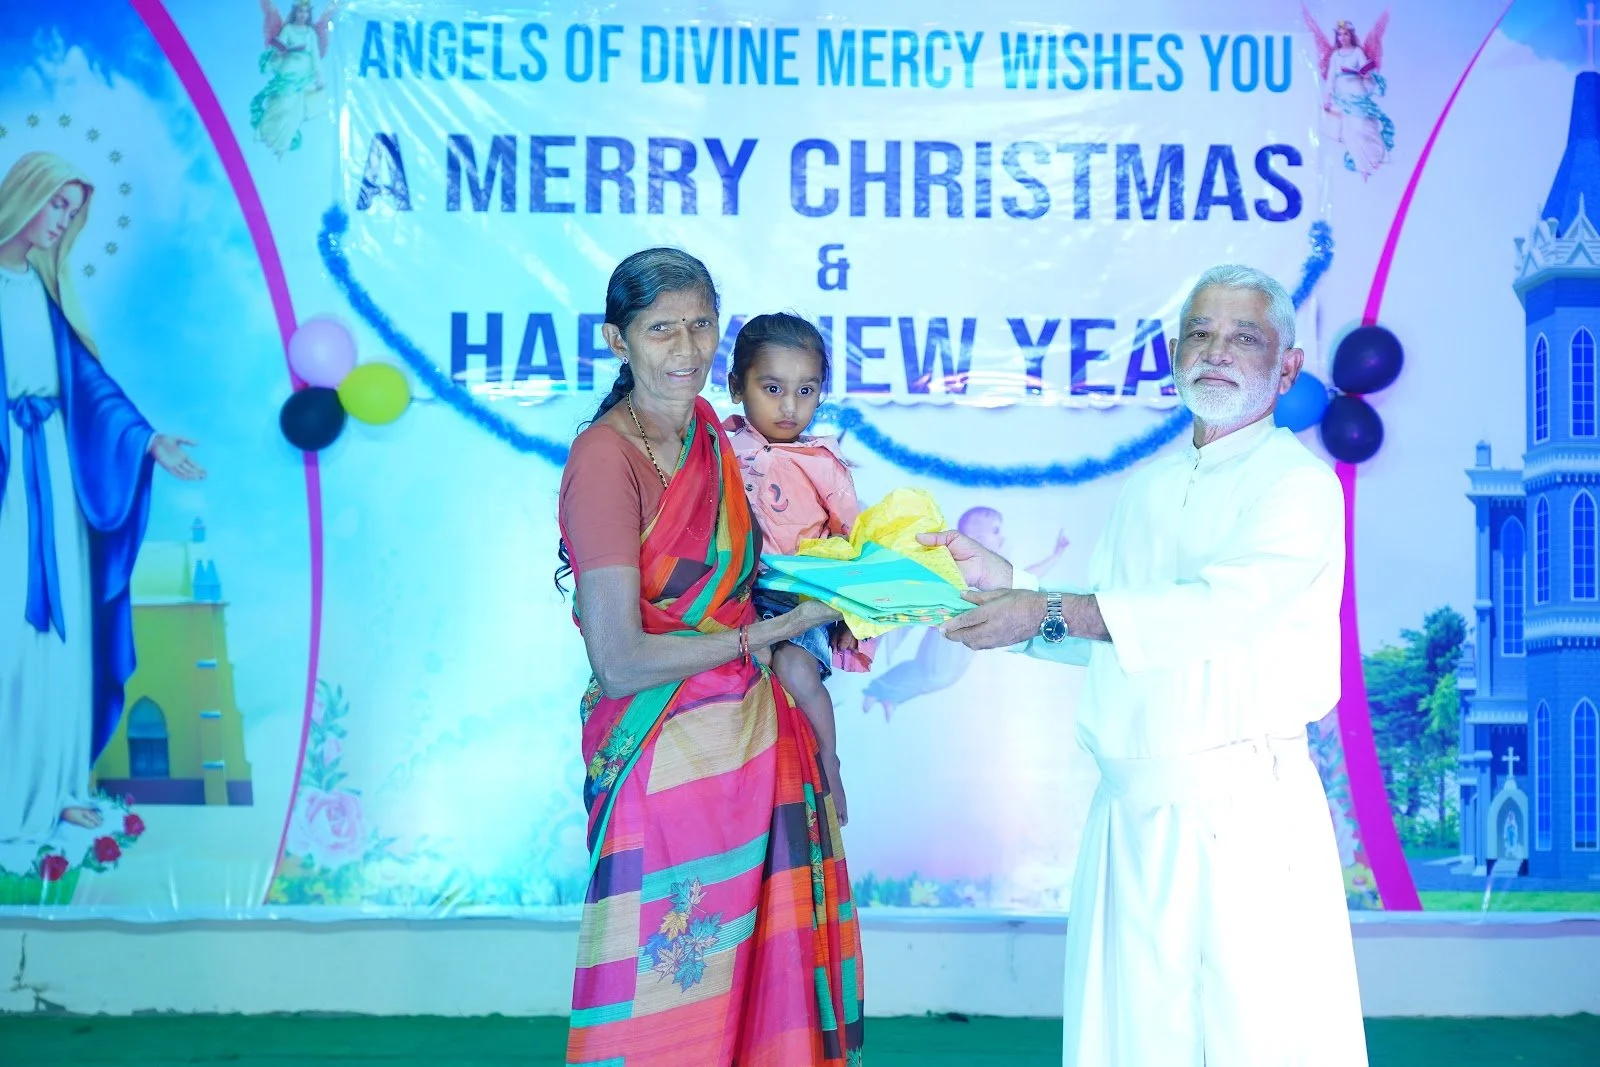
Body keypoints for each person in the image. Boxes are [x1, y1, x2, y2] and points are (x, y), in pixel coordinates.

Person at [927, 264, 1367, 1065]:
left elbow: (1212, 612)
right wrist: (1007, 588)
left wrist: (1046, 607)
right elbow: (1122, 632)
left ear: (1290, 366)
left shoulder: (1300, 487)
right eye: (1200, 332)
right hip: (1129, 821)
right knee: (1130, 1039)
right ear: (1173, 354)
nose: (1217, 351)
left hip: (1243, 823)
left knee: (1252, 1038)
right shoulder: (1149, 488)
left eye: (1245, 336)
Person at [556, 249, 865, 1066]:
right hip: (659, 761)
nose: (686, 348)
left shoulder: (715, 440)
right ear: (618, 341)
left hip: (757, 744)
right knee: (667, 992)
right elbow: (619, 660)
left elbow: (770, 568)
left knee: (762, 978)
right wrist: (772, 632)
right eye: (662, 329)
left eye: (700, 325)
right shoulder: (604, 458)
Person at [0, 152, 204, 871]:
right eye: (54, 204)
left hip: (51, 475)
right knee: (10, 633)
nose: (60, 222)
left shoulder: (45, 298)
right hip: (9, 486)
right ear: (22, 197)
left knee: (61, 641)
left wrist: (147, 442)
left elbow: (91, 390)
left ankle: (52, 786)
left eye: (71, 211)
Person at [724, 312, 874, 824]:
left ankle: (826, 764)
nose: (790, 407)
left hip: (798, 598)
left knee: (789, 665)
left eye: (807, 391)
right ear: (735, 387)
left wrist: (856, 622)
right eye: (772, 388)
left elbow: (858, 545)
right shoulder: (716, 447)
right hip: (730, 594)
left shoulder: (824, 464)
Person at [862, 507, 1067, 721]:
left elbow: (1028, 576)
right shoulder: (959, 568)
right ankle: (880, 690)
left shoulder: (995, 573)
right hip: (949, 632)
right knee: (934, 673)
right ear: (978, 538)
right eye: (996, 531)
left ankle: (890, 696)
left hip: (966, 639)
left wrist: (1056, 555)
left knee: (944, 677)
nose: (1003, 538)